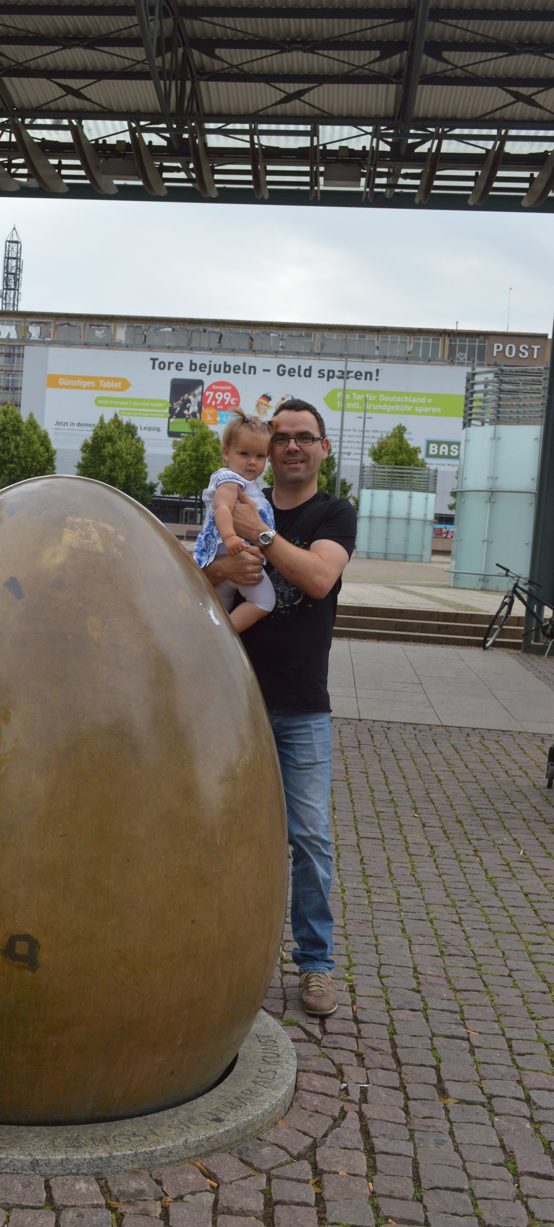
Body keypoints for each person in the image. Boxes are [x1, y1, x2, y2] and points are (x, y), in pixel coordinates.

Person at [201, 398, 357, 1017]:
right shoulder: (238, 495)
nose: (292, 446)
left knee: (310, 838)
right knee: (215, 832)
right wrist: (224, 559)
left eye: (304, 437)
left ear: (322, 448)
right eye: (281, 438)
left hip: (301, 706)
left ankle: (315, 965)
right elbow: (200, 582)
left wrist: (260, 532)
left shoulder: (333, 513)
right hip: (230, 699)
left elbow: (318, 579)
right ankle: (212, 955)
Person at [192, 409, 276, 633]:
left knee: (219, 607)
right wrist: (229, 537)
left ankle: (213, 636)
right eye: (244, 454)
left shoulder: (249, 485)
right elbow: (222, 508)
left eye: (260, 456)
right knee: (264, 601)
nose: (252, 462)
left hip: (232, 552)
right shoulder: (230, 480)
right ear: (226, 453)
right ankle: (225, 639)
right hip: (230, 549)